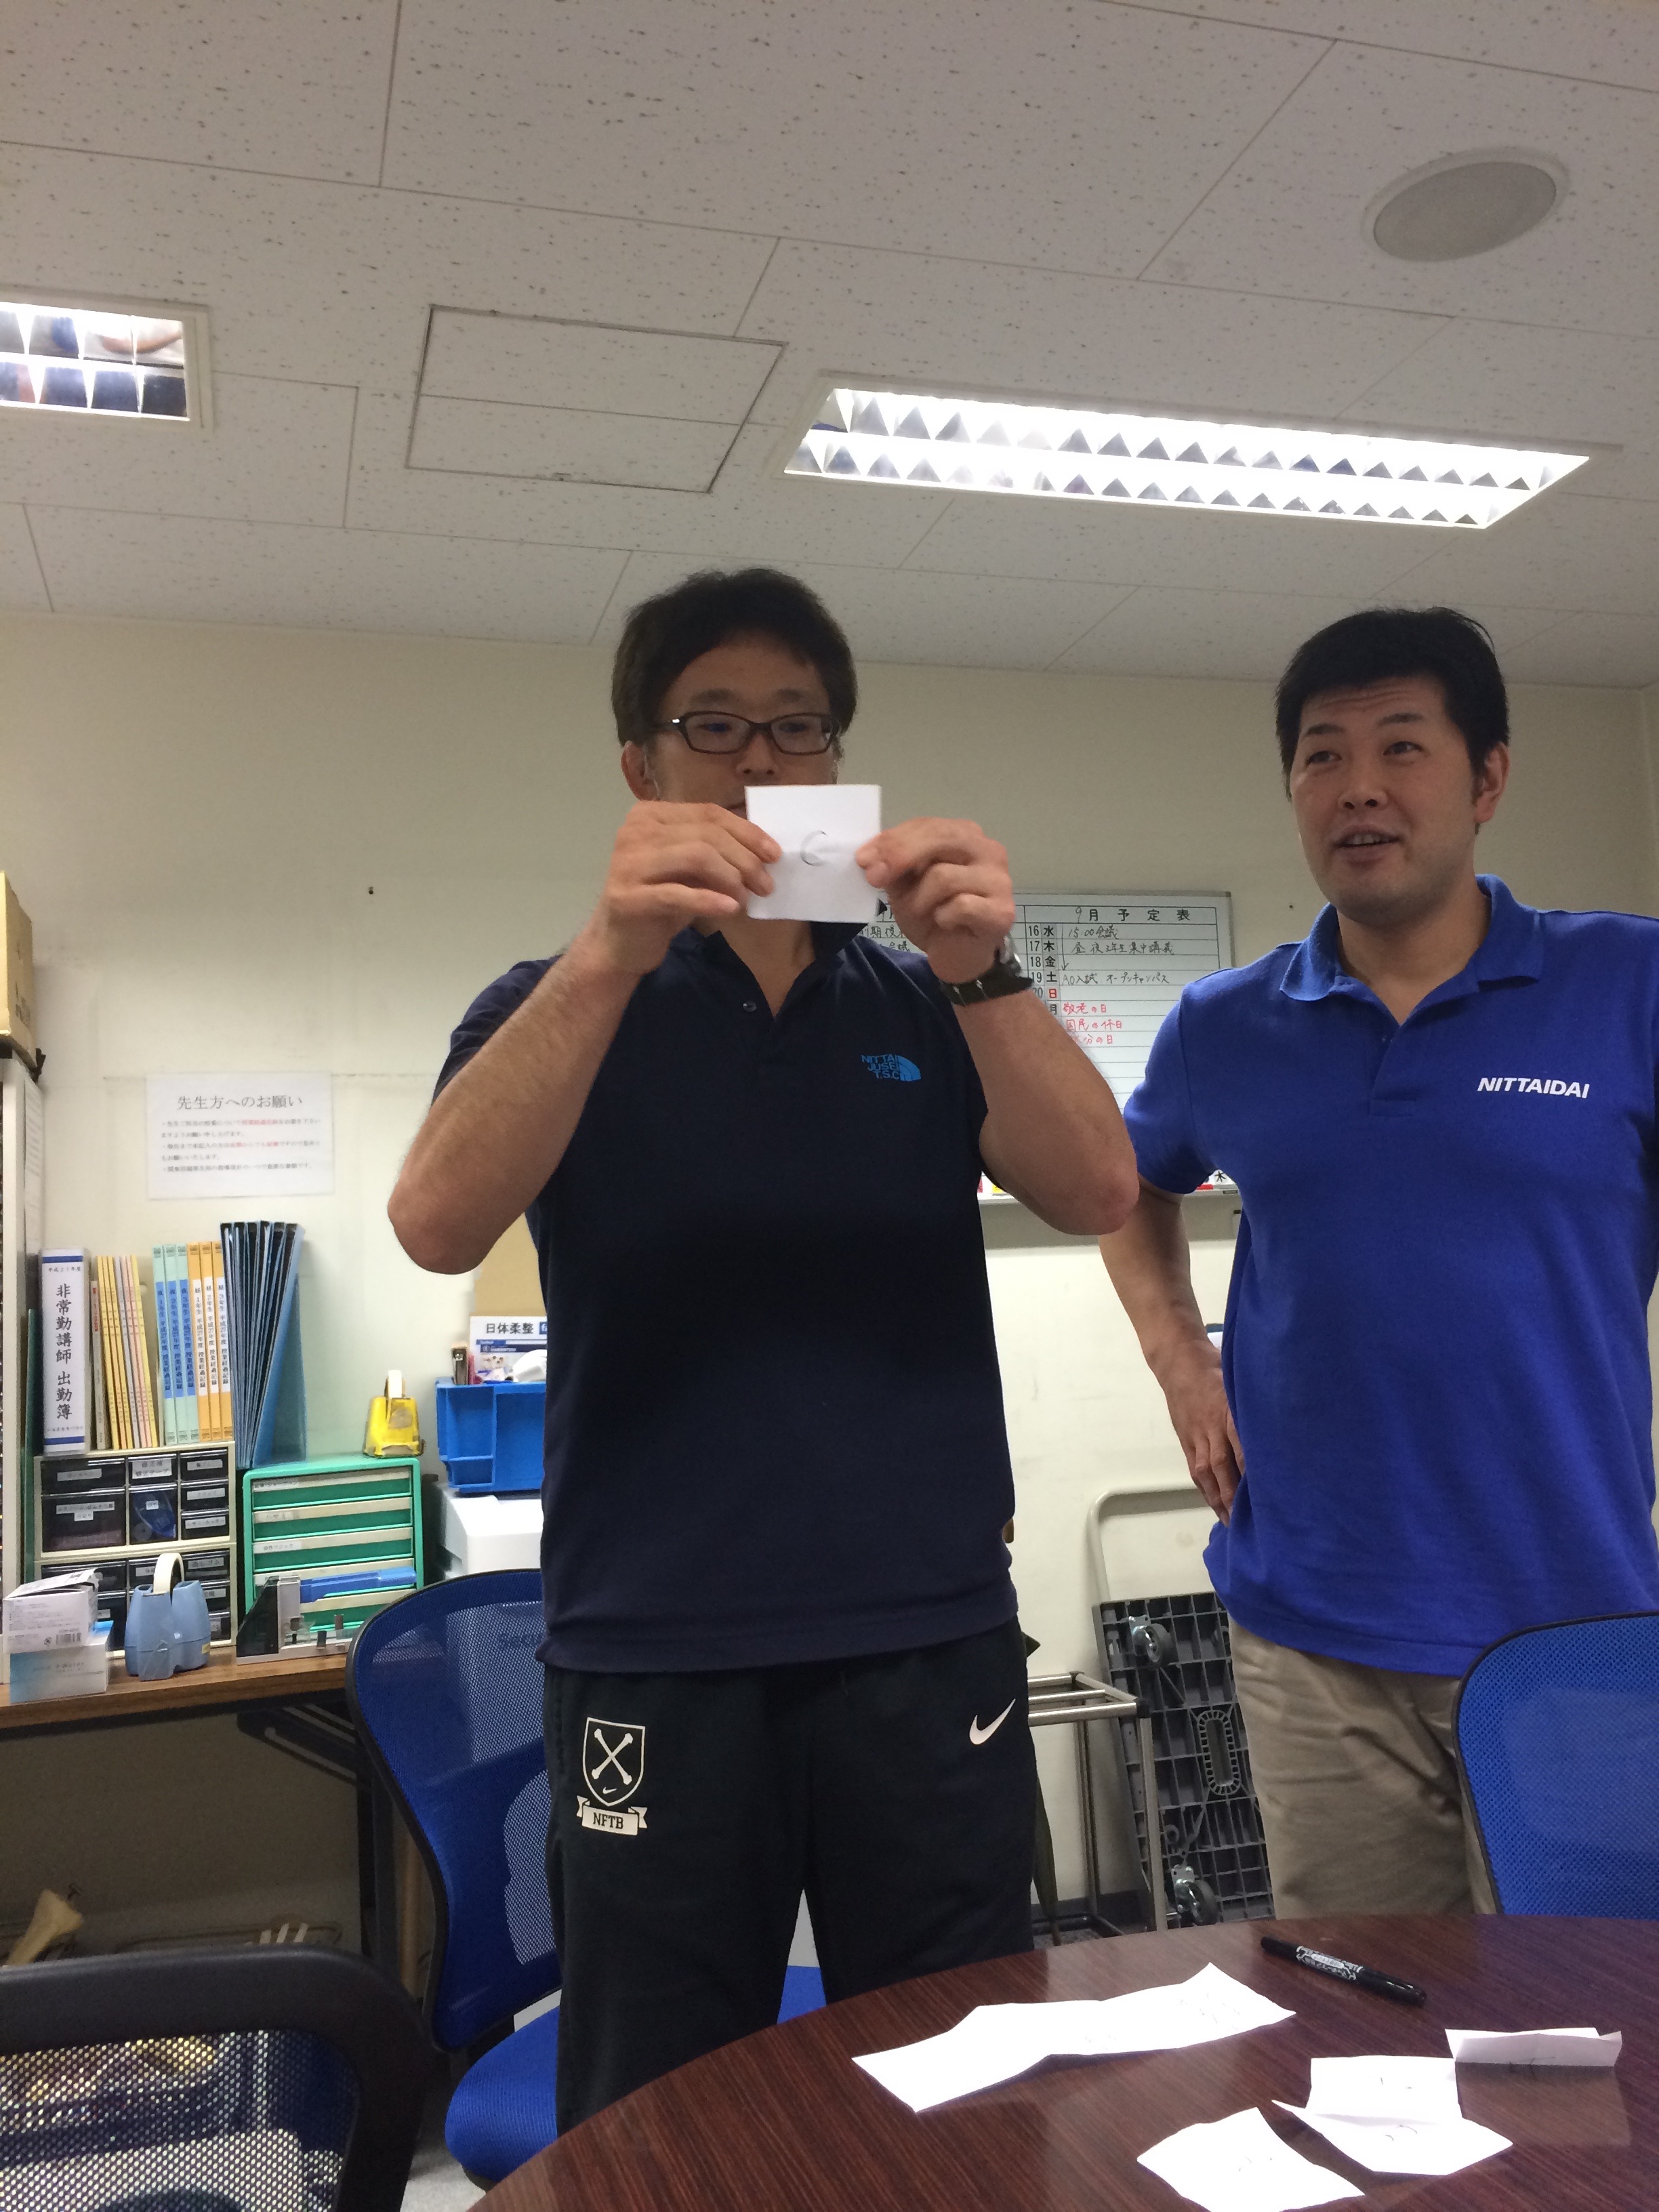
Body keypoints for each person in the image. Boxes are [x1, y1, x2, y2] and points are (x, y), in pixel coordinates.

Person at [390, 566, 1138, 2127]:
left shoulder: (924, 1008)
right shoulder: (553, 1003)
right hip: (658, 1655)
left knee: (962, 2091)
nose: (760, 764)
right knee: (663, 2117)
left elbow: (1098, 1190)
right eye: (714, 726)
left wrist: (984, 965)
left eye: (799, 729)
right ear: (640, 767)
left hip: (927, 1644)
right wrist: (608, 951)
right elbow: (437, 1222)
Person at [1099, 605, 1659, 1920]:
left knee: (1596, 2018)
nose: (1358, 787)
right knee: (1364, 2014)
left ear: (1488, 777)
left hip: (1573, 1629)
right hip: (1315, 1635)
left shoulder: (1629, 986)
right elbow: (1125, 1188)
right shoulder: (1224, 1027)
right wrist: (1183, 1362)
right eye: (1322, 755)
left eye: (1403, 746)